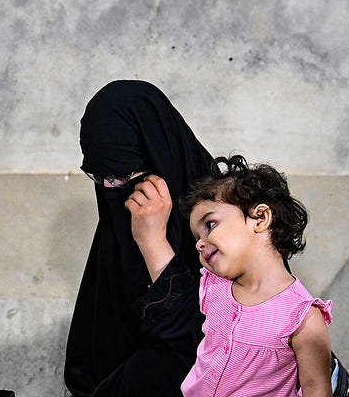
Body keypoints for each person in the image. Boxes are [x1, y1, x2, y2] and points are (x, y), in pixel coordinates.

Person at [65, 80, 212, 396]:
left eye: (122, 178)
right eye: (98, 177)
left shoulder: (225, 214)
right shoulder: (119, 201)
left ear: (159, 156)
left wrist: (154, 243)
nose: (110, 188)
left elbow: (210, 341)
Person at [177, 155, 332, 397]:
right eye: (197, 238)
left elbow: (317, 390)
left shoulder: (301, 318)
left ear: (260, 218)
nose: (199, 244)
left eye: (209, 225)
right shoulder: (214, 287)